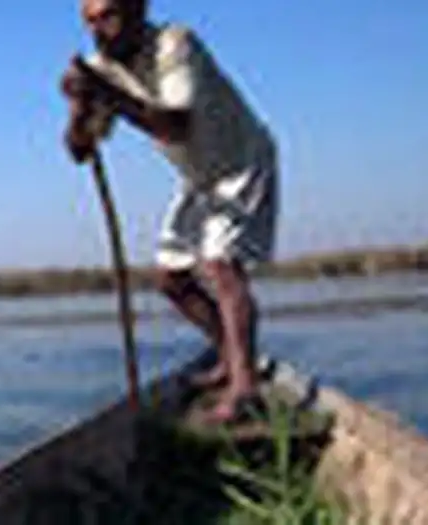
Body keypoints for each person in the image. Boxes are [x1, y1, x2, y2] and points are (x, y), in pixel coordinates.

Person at [60, 0, 279, 423]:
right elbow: (79, 151)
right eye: (90, 22)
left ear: (138, 9)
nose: (99, 30)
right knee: (171, 280)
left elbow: (176, 125)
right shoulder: (101, 70)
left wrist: (106, 93)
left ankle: (245, 388)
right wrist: (79, 109)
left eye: (109, 15)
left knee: (221, 266)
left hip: (241, 162)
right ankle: (230, 357)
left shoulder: (175, 44)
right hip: (198, 177)